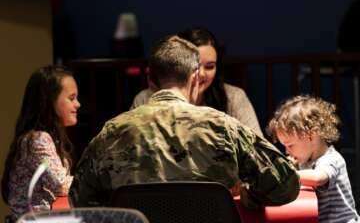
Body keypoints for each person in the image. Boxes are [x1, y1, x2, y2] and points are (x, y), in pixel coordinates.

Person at [69, 36, 299, 209]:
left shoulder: (112, 132)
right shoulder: (223, 126)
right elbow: (286, 184)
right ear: (194, 78)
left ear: (150, 79)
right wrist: (248, 197)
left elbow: (78, 199)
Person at [131, 27, 263, 136]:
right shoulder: (145, 99)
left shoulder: (233, 97)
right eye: (196, 65)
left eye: (210, 66)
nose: (201, 74)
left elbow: (257, 146)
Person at [1, 65, 81, 222]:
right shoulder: (37, 140)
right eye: (71, 98)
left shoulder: (45, 138)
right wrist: (92, 179)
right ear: (50, 102)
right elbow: (61, 185)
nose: (78, 104)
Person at [267, 95, 359, 223]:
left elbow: (318, 178)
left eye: (290, 145)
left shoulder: (331, 159)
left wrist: (286, 174)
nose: (287, 151)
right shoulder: (306, 160)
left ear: (311, 136)